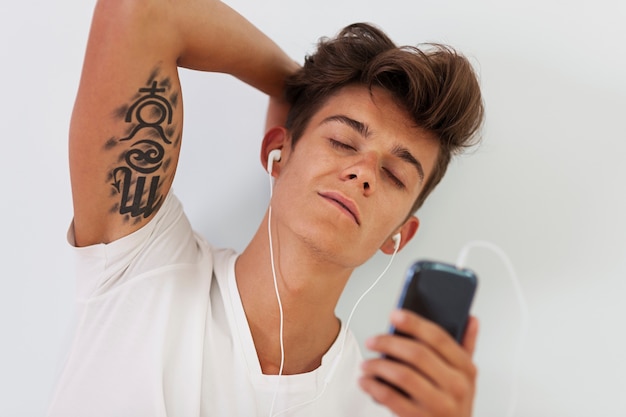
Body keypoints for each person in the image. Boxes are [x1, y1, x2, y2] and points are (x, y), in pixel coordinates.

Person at [47, 0, 484, 415]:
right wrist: (296, 84)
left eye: (394, 175)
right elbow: (142, 11)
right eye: (342, 141)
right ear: (278, 150)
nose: (364, 172)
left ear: (400, 236)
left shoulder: (382, 403)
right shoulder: (138, 262)